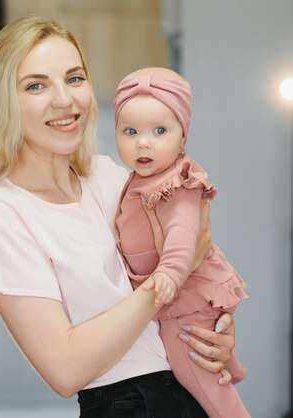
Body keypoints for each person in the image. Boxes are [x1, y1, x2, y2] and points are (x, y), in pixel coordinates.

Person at [0, 16, 243, 417]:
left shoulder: (111, 176)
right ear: (2, 103)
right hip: (129, 404)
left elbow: (195, 251)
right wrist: (164, 285)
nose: (64, 100)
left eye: (74, 78)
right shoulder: (3, 213)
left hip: (188, 387)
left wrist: (214, 328)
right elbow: (65, 370)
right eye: (36, 85)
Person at [112, 66, 250, 417]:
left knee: (192, 369)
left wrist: (171, 274)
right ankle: (233, 367)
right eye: (130, 131)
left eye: (160, 130)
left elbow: (184, 234)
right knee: (209, 355)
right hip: (183, 291)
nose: (143, 142)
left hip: (183, 295)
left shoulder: (177, 184)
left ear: (182, 137)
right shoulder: (141, 177)